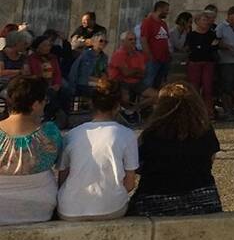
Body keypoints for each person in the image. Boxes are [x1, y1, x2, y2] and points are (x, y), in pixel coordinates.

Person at [130, 83, 222, 216]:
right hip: (202, 198)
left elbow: (138, 165)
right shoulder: (205, 132)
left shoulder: (151, 134)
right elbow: (211, 159)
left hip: (156, 198)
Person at [57, 83, 140, 221]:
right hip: (111, 207)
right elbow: (130, 183)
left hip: (69, 208)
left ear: (91, 104)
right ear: (117, 107)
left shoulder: (72, 134)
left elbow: (62, 177)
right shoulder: (127, 134)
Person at [0, 77, 63, 224]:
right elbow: (57, 163)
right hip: (41, 209)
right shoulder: (50, 133)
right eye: (44, 101)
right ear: (35, 104)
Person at [183, 11, 220, 110]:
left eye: (207, 20)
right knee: (194, 88)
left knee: (208, 88)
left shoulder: (212, 34)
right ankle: (194, 110)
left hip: (208, 63)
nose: (206, 22)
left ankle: (208, 111)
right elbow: (193, 49)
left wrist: (203, 47)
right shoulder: (192, 35)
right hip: (195, 63)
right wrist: (206, 47)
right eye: (204, 20)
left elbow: (215, 47)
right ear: (197, 22)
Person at [106, 32, 148, 115]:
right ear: (123, 41)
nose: (133, 41)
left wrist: (132, 71)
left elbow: (143, 74)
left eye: (135, 39)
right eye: (130, 39)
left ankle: (133, 109)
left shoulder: (139, 55)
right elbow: (126, 73)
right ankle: (126, 112)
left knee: (155, 95)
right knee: (125, 97)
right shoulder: (119, 54)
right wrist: (136, 71)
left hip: (136, 82)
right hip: (119, 82)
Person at [137, 0, 172, 91]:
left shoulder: (163, 24)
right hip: (153, 59)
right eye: (166, 10)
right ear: (159, 9)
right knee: (148, 83)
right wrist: (149, 56)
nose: (167, 12)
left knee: (158, 83)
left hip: (164, 59)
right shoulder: (148, 22)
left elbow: (165, 40)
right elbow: (143, 40)